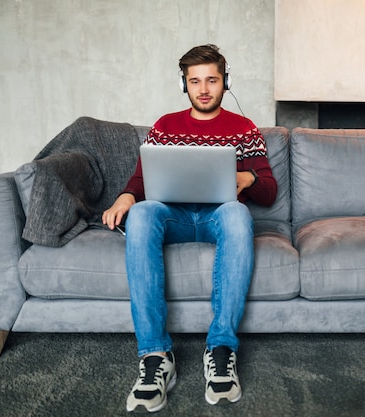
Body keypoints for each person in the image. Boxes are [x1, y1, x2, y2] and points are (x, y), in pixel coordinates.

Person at [102, 44, 277, 413]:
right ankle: (155, 357)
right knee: (145, 212)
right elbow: (140, 179)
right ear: (184, 84)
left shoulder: (244, 129)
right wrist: (125, 198)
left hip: (219, 218)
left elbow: (269, 192)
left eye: (211, 80)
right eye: (194, 81)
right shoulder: (165, 126)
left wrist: (246, 177)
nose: (203, 89)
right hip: (175, 217)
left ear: (224, 83)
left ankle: (220, 350)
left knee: (236, 214)